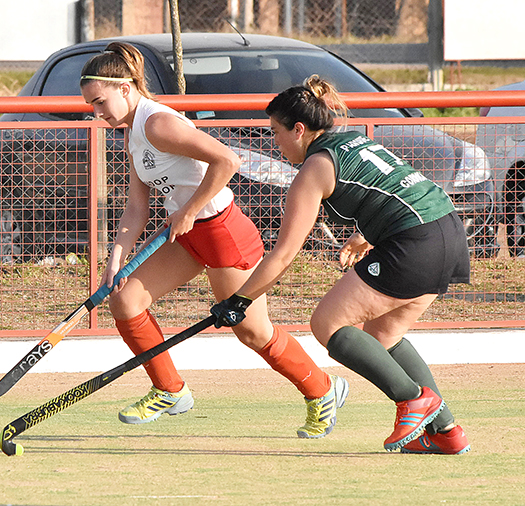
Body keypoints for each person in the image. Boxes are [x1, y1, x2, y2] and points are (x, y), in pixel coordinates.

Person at [80, 43, 348, 438]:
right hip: (187, 236)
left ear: (126, 88)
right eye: (92, 105)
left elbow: (228, 161)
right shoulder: (131, 134)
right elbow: (137, 207)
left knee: (253, 332)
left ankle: (322, 389)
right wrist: (115, 259)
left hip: (221, 232)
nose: (97, 112)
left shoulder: (158, 124)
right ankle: (170, 390)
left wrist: (188, 210)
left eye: (100, 102)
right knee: (125, 300)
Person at [211, 75, 471, 455]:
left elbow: (283, 254)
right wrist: (365, 233)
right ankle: (445, 431)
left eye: (276, 132)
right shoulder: (352, 139)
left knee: (327, 324)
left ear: (299, 129)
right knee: (383, 338)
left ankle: (412, 400)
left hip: (415, 242)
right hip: (447, 230)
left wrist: (239, 300)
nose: (274, 142)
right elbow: (394, 187)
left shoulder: (315, 168)